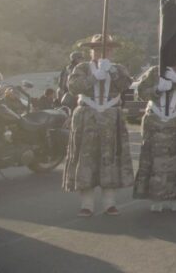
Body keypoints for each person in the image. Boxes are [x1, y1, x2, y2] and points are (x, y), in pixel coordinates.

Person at [62, 34, 134, 217]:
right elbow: (73, 87)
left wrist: (111, 72)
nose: (102, 52)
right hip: (87, 116)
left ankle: (109, 202)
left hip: (111, 116)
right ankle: (87, 204)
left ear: (112, 51)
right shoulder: (82, 68)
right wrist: (95, 76)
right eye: (98, 49)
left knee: (109, 157)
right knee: (86, 158)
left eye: (107, 49)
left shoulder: (118, 68)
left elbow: (125, 85)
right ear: (91, 50)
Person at [132, 57, 176, 212]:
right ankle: (156, 197)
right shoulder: (154, 72)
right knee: (155, 161)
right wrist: (157, 89)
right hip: (156, 123)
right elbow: (141, 93)